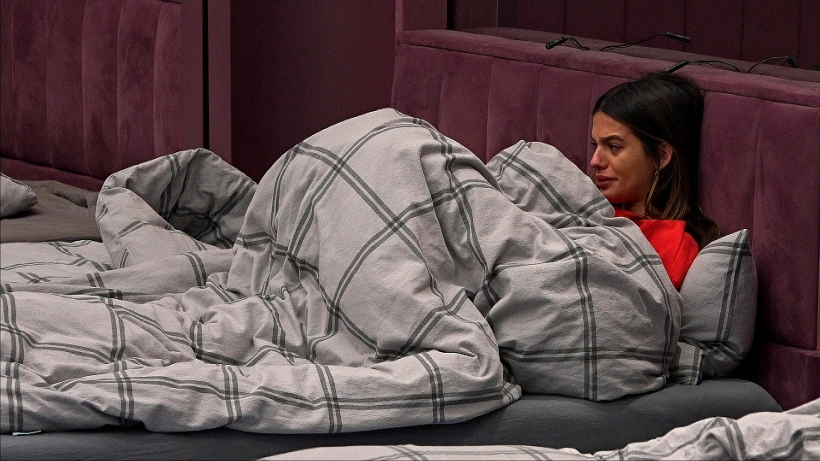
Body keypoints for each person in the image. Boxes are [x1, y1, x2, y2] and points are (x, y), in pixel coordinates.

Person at [589, 72, 720, 290]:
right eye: (596, 145)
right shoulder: (579, 205)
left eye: (614, 147)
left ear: (661, 156)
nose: (595, 161)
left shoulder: (672, 244)